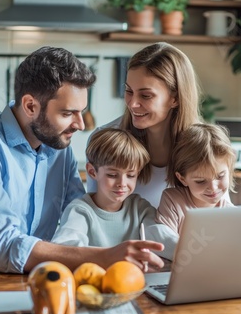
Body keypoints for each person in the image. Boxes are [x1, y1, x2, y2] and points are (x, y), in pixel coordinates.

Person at [0, 46, 165, 274]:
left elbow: (80, 210)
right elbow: (4, 248)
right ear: (31, 106)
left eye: (82, 112)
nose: (80, 125)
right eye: (68, 113)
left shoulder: (57, 145)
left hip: (45, 279)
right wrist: (104, 256)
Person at [87, 42, 204, 208]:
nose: (133, 104)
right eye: (129, 91)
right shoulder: (104, 139)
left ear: (175, 99)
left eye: (146, 96)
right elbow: (94, 212)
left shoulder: (202, 146)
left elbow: (219, 211)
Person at [52, 128, 177, 261]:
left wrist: (186, 251)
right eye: (112, 175)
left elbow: (159, 234)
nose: (122, 183)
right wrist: (110, 255)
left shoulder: (140, 208)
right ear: (93, 172)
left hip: (134, 279)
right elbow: (64, 246)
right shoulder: (80, 210)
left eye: (130, 175)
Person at [156, 123, 237, 234]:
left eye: (220, 176)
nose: (213, 188)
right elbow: (164, 243)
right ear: (182, 179)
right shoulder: (173, 200)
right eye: (201, 181)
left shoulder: (233, 215)